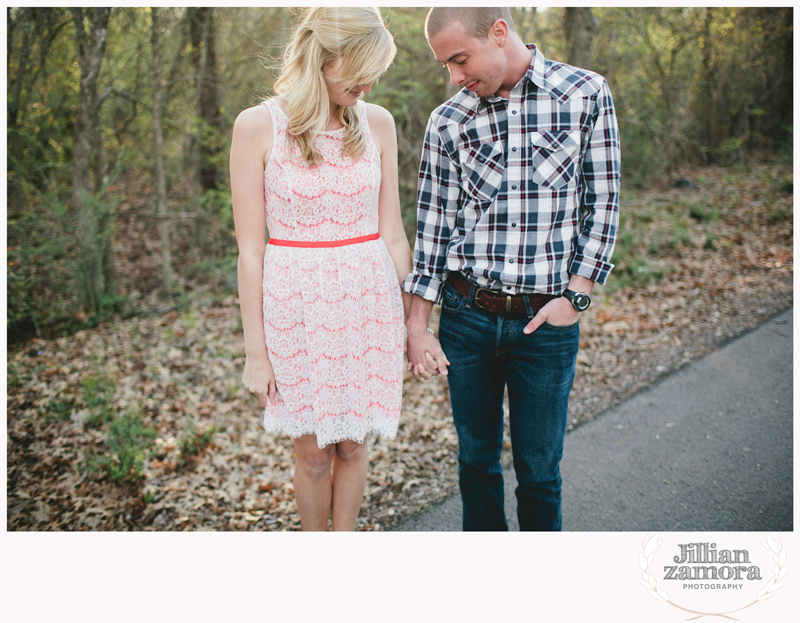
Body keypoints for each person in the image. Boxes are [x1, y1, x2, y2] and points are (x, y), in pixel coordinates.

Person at [403, 7, 621, 531]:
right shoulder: (448, 121)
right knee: (476, 464)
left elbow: (604, 202)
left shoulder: (585, 94)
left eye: (459, 59)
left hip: (544, 324)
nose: (454, 77)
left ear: (499, 33)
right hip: (466, 318)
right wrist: (416, 325)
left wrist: (578, 296)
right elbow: (432, 231)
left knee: (540, 473)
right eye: (444, 67)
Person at [230, 7, 412, 531]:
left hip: (368, 306)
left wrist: (412, 323)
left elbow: (394, 233)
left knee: (354, 450)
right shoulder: (256, 126)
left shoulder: (377, 122)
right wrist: (255, 353)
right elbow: (251, 251)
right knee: (312, 455)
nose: (370, 81)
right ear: (324, 57)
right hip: (297, 309)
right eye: (361, 67)